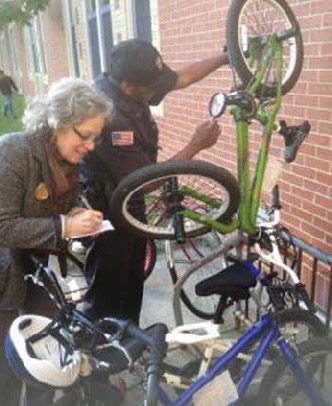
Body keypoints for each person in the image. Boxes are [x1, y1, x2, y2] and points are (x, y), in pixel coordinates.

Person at [82, 39, 228, 324]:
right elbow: (145, 182)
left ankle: (128, 339)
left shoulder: (136, 82)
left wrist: (225, 58)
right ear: (128, 87)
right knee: (110, 284)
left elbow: (182, 78)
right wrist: (195, 145)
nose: (158, 89)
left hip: (129, 202)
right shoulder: (109, 119)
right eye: (153, 85)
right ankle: (98, 350)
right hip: (106, 210)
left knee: (134, 277)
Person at [0, 77, 111, 406]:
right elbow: (2, 225)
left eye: (96, 137)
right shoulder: (13, 152)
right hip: (3, 273)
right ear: (58, 123)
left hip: (37, 268)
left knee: (47, 350)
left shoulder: (66, 161)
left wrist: (80, 217)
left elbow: (59, 208)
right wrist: (64, 225)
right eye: (85, 135)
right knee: (6, 362)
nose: (91, 145)